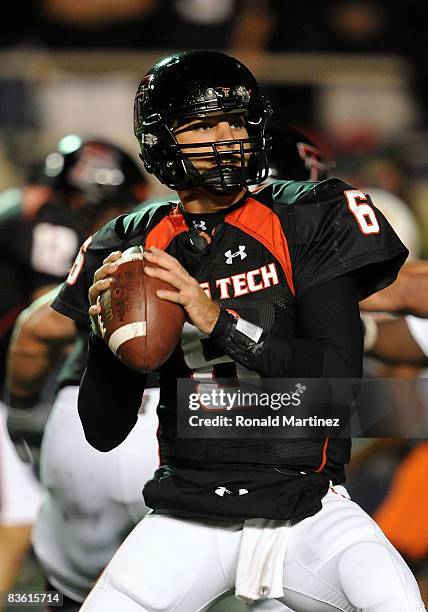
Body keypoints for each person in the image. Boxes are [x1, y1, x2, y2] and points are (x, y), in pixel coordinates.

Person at [52, 51, 423, 611]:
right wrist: (112, 341)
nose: (227, 137)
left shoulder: (310, 213)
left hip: (310, 506)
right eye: (204, 124)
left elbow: (338, 387)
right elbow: (103, 430)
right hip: (187, 509)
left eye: (235, 119)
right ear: (161, 139)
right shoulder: (129, 241)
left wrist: (216, 318)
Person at [0, 136, 149, 602]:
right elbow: (43, 317)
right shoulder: (51, 218)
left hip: (58, 400)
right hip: (178, 417)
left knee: (58, 573)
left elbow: (38, 328)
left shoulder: (27, 210)